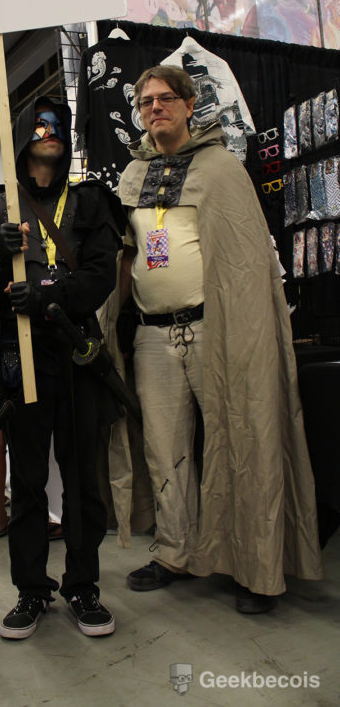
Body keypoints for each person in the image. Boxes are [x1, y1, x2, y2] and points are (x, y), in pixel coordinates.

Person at [117, 66, 323, 614]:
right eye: (145, 102)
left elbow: (246, 260)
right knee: (164, 449)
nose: (155, 108)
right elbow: (122, 256)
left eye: (165, 98)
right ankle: (174, 552)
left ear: (189, 105)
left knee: (242, 437)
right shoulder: (132, 176)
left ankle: (254, 565)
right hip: (152, 336)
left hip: (217, 328)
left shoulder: (221, 168)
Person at [0, 97, 125, 640]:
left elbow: (102, 274)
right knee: (29, 480)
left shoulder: (90, 203)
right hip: (21, 355)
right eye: (39, 124)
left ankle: (82, 586)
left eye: (58, 124)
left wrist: (50, 297)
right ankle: (31, 589)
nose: (50, 131)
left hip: (76, 351)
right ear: (20, 135)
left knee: (82, 478)